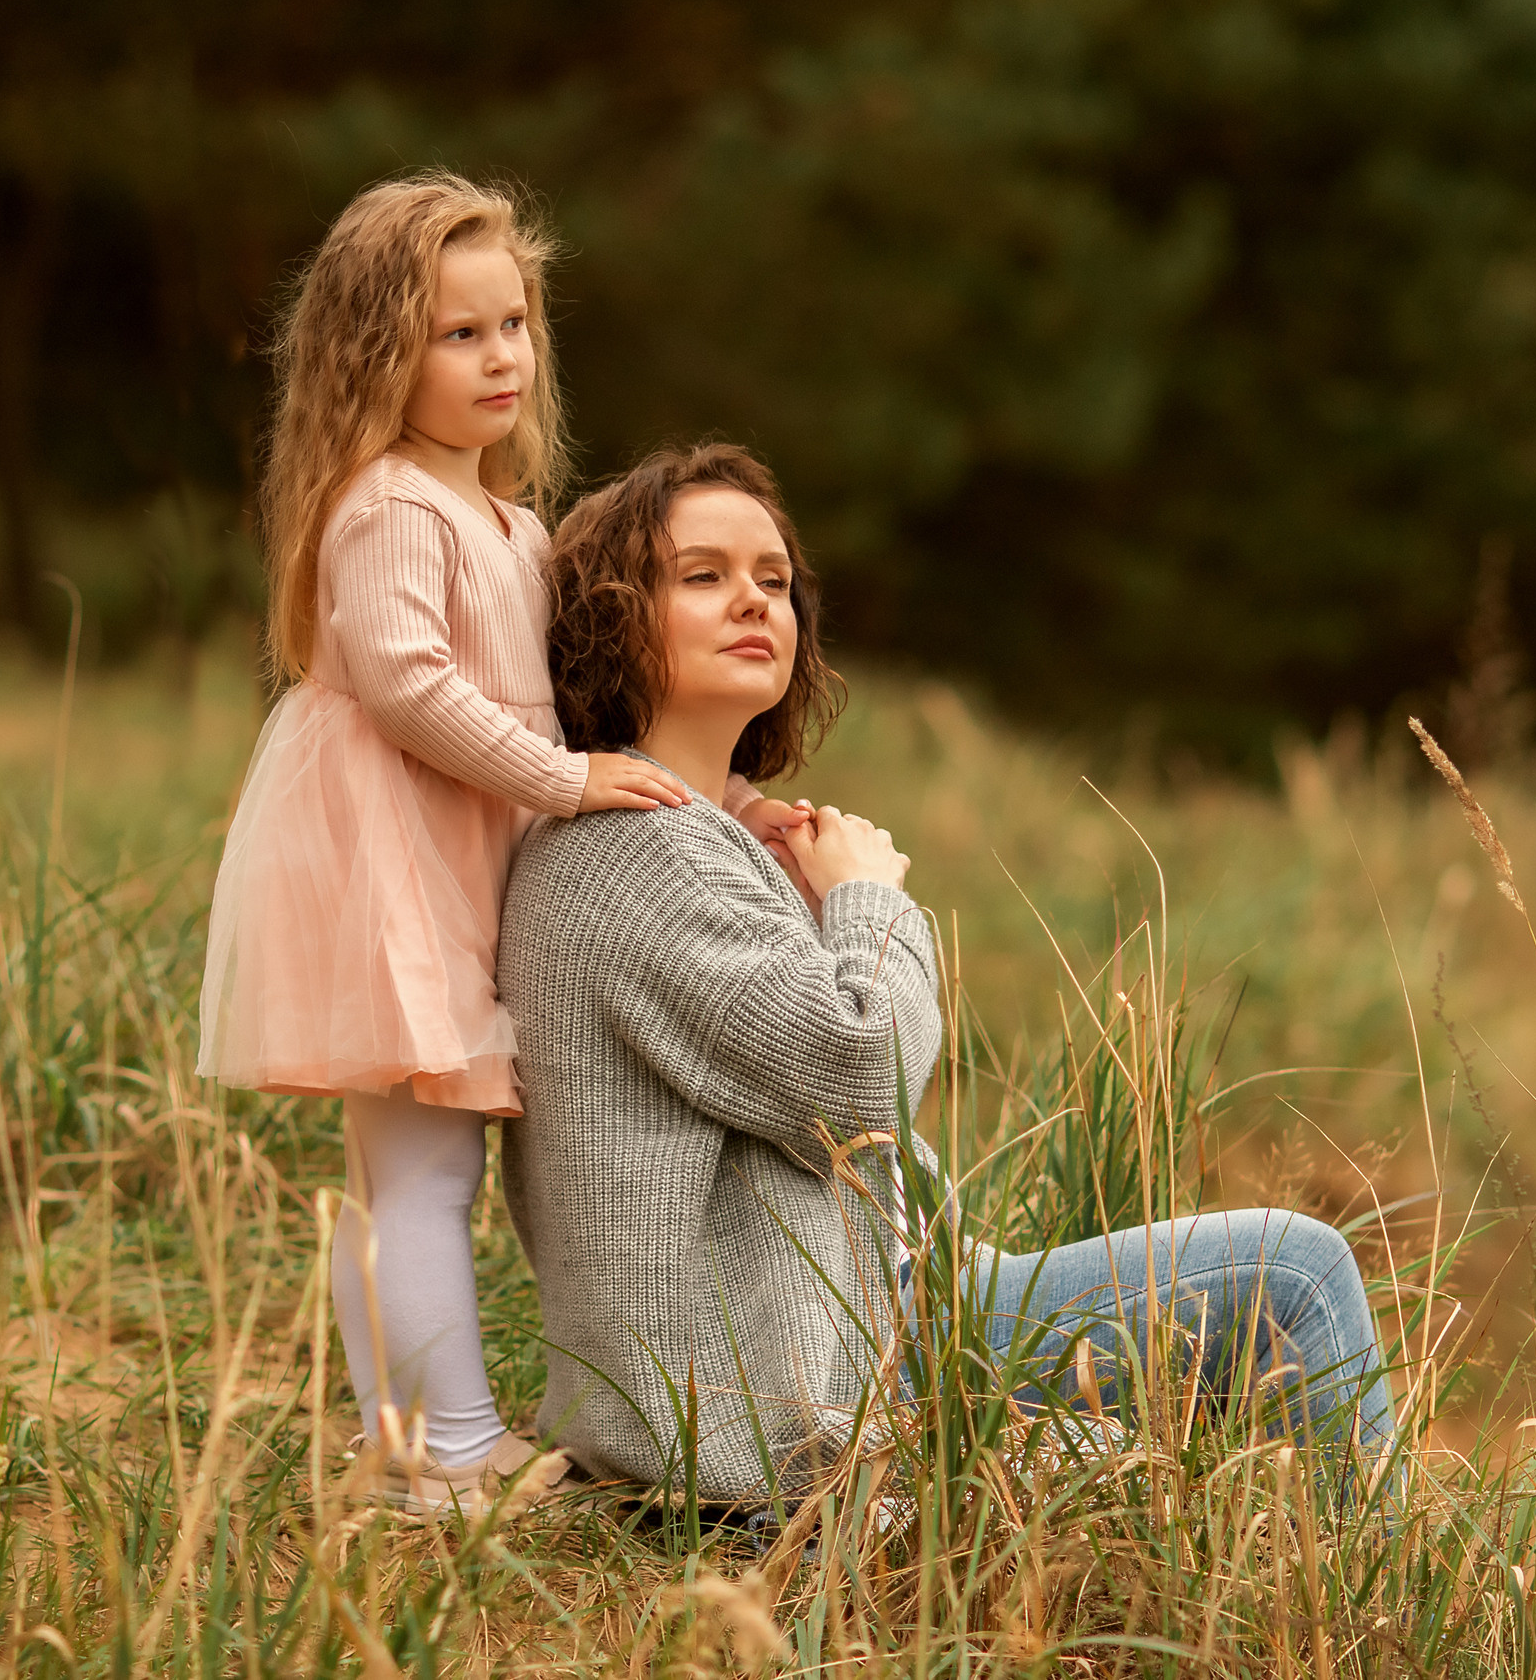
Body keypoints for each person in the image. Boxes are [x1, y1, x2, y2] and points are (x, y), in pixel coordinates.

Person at [497, 442, 1401, 1506]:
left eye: (775, 580)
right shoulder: (633, 852)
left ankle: (1301, 1588)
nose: (753, 599)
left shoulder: (688, 833)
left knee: (1212, 1392)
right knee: (1293, 1278)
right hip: (782, 1394)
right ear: (612, 618)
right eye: (703, 576)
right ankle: (1374, 1622)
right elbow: (859, 1081)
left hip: (891, 1313)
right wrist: (864, 898)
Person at [195, 176, 802, 1511]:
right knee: (418, 1163)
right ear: (376, 355)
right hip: (388, 862)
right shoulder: (388, 508)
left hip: (459, 865)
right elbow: (413, 688)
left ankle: (413, 1438)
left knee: (413, 1167)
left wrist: (724, 801)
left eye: (512, 324)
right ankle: (440, 1451)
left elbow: (583, 704)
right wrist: (560, 779)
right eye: (455, 334)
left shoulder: (513, 524)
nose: (499, 358)